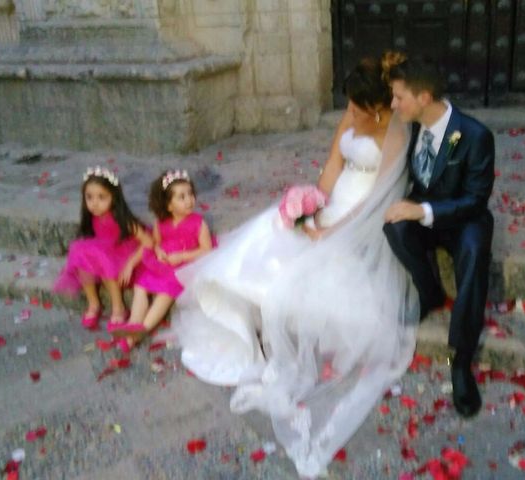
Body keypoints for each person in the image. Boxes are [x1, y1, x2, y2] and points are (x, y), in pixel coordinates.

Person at [171, 55, 419, 477]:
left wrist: (334, 229)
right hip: (334, 205)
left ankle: (281, 331)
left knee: (310, 268)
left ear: (378, 107)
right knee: (271, 230)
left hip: (363, 217)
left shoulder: (395, 131)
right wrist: (309, 207)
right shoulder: (353, 112)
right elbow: (332, 169)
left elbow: (380, 195)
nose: (351, 113)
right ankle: (242, 319)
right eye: (350, 105)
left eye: (358, 107)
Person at [382, 55, 495, 418]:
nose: (393, 104)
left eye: (399, 97)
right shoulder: (412, 125)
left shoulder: (476, 135)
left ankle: (461, 363)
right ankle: (429, 292)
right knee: (393, 225)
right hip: (428, 209)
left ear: (424, 97)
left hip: (465, 218)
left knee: (475, 254)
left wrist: (423, 211)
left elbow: (476, 200)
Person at [110, 170, 213, 354]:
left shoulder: (198, 223)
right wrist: (158, 251)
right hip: (163, 264)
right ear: (169, 205)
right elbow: (156, 243)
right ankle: (133, 324)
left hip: (184, 265)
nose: (189, 200)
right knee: (141, 286)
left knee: (166, 292)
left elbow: (206, 250)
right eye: (181, 197)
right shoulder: (161, 223)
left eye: (190, 194)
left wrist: (181, 257)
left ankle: (143, 329)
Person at [53, 166, 150, 329]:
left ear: (114, 197)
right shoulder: (93, 219)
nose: (94, 203)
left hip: (125, 259)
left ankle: (118, 306)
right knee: (81, 252)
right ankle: (93, 303)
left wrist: (130, 264)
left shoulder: (123, 220)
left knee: (102, 257)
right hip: (104, 256)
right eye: (89, 197)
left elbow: (149, 242)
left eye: (101, 197)